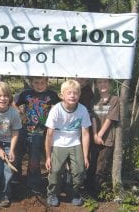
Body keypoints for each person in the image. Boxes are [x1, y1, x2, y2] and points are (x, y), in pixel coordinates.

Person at [45, 79, 91, 207]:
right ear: (62, 95)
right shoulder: (56, 110)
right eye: (69, 93)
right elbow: (49, 135)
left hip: (75, 143)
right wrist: (48, 157)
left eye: (75, 93)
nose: (72, 95)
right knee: (55, 171)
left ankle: (74, 192)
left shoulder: (82, 110)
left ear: (79, 95)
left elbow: (85, 134)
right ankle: (52, 193)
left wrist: (85, 156)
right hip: (58, 143)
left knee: (80, 171)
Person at [14, 76, 60, 194]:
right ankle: (15, 177)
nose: (39, 85)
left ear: (47, 82)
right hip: (24, 129)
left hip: (40, 132)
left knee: (34, 158)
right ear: (31, 83)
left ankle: (33, 182)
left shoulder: (52, 95)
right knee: (18, 154)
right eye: (36, 82)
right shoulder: (26, 94)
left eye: (42, 82)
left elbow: (60, 106)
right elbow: (13, 102)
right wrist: (20, 114)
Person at [0, 82, 22, 208]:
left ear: (9, 98)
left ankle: (5, 195)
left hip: (9, 143)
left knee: (8, 171)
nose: (3, 98)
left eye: (6, 96)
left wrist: (11, 150)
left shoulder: (14, 113)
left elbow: (16, 131)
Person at [91, 79, 119, 196]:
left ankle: (96, 192)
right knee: (92, 164)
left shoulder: (114, 99)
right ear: (96, 85)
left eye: (105, 82)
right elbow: (92, 118)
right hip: (94, 138)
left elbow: (110, 119)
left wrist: (100, 135)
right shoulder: (94, 100)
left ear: (110, 84)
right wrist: (94, 135)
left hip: (106, 139)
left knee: (101, 166)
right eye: (100, 82)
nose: (103, 85)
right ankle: (88, 188)